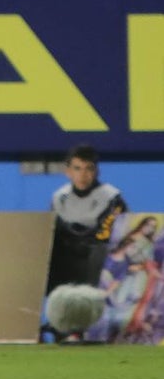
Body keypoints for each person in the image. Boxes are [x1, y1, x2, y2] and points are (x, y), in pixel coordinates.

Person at [39, 144, 127, 343]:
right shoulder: (59, 197)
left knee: (97, 253)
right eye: (77, 168)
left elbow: (109, 231)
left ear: (96, 171)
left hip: (97, 253)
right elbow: (53, 227)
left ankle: (93, 326)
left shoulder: (111, 197)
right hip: (68, 254)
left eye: (89, 168)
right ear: (68, 171)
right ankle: (59, 326)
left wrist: (79, 235)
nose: (83, 175)